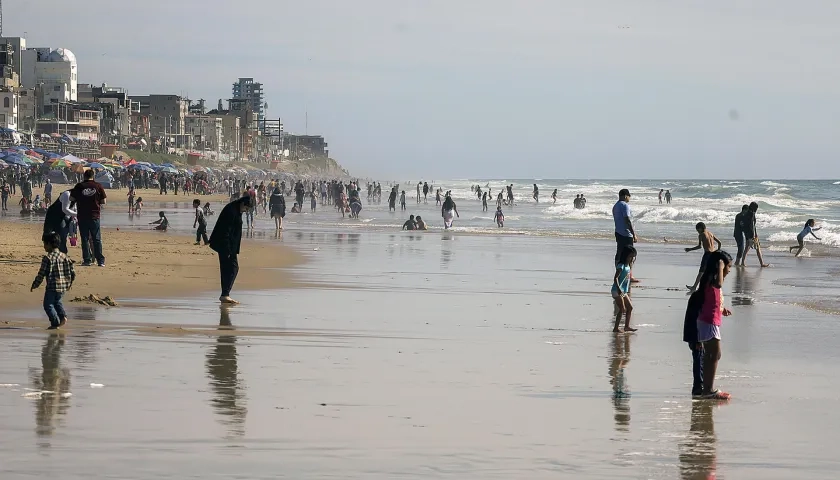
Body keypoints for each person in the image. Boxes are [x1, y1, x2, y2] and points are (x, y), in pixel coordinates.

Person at [693, 251, 733, 400]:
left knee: (713, 355)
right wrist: (721, 267)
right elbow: (719, 284)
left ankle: (707, 388)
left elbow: (712, 300)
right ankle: (708, 389)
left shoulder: (710, 280)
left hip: (710, 320)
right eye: (728, 266)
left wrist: (722, 309)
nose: (729, 270)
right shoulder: (713, 280)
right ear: (719, 267)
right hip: (709, 322)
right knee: (714, 355)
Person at [209, 196, 251, 304]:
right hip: (225, 244)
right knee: (233, 268)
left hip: (228, 245)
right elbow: (225, 231)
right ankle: (225, 294)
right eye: (246, 208)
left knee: (227, 268)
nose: (246, 211)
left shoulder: (236, 209)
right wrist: (227, 249)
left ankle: (225, 294)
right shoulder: (231, 211)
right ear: (242, 203)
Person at [31, 231, 75, 330]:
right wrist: (70, 283)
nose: (44, 247)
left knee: (48, 305)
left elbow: (41, 273)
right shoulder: (65, 256)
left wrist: (35, 284)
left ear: (50, 244)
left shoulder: (47, 258)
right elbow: (73, 272)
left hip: (52, 285)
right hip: (63, 285)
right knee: (57, 302)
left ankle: (55, 322)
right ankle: (63, 316)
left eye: (45, 244)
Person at [70, 169, 107, 267]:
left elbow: (71, 199)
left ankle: (87, 260)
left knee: (85, 239)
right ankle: (100, 261)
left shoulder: (79, 186)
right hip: (95, 215)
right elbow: (104, 201)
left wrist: (81, 198)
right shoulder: (98, 186)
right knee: (97, 239)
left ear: (84, 176)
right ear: (93, 176)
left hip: (82, 216)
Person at [685, 222, 722, 292]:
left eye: (698, 230)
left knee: (701, 272)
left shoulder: (701, 235)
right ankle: (714, 287)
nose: (697, 232)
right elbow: (720, 242)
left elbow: (699, 246)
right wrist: (718, 251)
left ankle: (694, 287)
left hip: (707, 254)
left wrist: (690, 249)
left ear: (701, 228)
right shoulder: (710, 233)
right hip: (714, 254)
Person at [43, 189, 77, 254]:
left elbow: (74, 209)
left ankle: (63, 254)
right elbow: (65, 209)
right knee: (49, 235)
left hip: (63, 217)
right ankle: (52, 253)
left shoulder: (76, 198)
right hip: (52, 215)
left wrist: (74, 219)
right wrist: (78, 214)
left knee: (62, 236)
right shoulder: (67, 195)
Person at [612, 246, 637, 333]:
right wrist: (619, 289)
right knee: (622, 309)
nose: (631, 259)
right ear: (625, 255)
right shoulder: (621, 266)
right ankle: (615, 328)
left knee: (629, 307)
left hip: (623, 291)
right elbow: (615, 278)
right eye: (630, 256)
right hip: (617, 290)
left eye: (633, 257)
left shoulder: (628, 266)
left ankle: (627, 326)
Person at [740, 202, 769, 267]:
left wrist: (747, 234)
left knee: (747, 248)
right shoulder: (752, 214)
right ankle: (762, 264)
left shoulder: (746, 214)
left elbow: (745, 225)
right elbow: (752, 225)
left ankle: (742, 262)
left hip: (748, 234)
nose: (756, 209)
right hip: (751, 234)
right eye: (756, 208)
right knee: (757, 248)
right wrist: (754, 235)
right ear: (753, 207)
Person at [612, 189, 637, 266]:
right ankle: (629, 274)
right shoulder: (625, 205)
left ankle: (618, 271)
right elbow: (627, 220)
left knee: (620, 252)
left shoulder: (615, 206)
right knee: (630, 254)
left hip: (618, 232)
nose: (629, 198)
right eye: (629, 196)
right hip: (626, 233)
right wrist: (634, 234)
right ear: (626, 196)